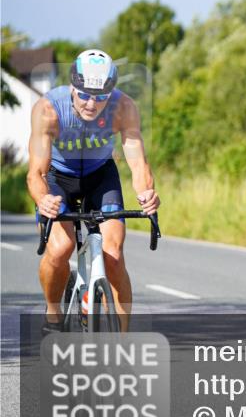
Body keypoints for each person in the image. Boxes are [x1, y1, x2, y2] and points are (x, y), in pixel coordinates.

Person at [26, 49, 160, 335]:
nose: (91, 103)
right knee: (61, 249)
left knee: (113, 254)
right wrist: (43, 199)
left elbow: (138, 161)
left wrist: (147, 193)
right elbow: (36, 172)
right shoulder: (48, 109)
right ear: (72, 86)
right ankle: (53, 312)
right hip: (57, 180)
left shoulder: (124, 107)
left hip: (100, 176)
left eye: (100, 97)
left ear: (110, 94)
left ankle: (123, 340)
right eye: (84, 94)